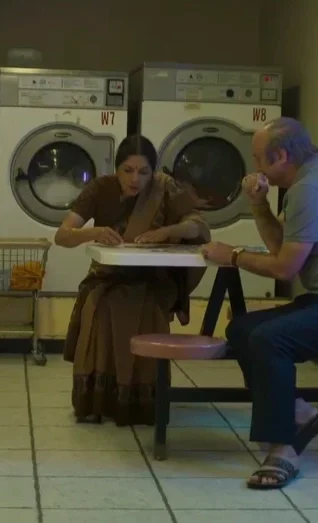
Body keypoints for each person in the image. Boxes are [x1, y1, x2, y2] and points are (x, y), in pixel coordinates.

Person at [201, 117, 318, 489]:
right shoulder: (312, 179)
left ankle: (283, 448)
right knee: (242, 328)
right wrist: (258, 205)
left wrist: (234, 255)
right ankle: (297, 413)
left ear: (281, 157)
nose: (256, 168)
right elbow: (283, 249)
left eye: (260, 159)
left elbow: (284, 269)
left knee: (269, 339)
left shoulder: (311, 189)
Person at [55, 134, 211, 425]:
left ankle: (142, 401)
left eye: (143, 172)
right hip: (107, 277)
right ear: (116, 169)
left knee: (145, 305)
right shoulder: (99, 189)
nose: (135, 179)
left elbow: (197, 225)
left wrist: (168, 232)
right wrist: (92, 232)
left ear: (154, 172)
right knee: (100, 305)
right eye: (127, 170)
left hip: (153, 279)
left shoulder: (164, 189)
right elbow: (63, 236)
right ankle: (99, 401)